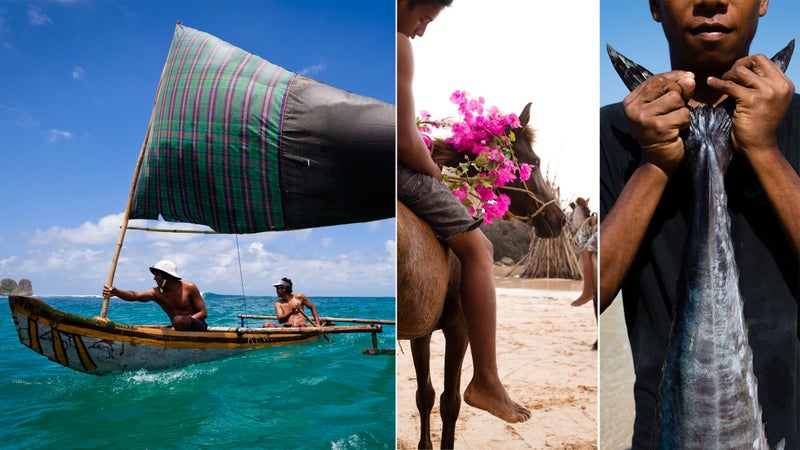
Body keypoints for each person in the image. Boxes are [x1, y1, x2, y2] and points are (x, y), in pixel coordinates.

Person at [600, 0, 800, 448]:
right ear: (654, 6)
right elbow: (589, 293)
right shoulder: (610, 132)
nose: (712, 0)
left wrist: (765, 152)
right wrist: (654, 165)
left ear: (765, 2)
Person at [397, 0, 531, 423]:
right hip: (398, 169)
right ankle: (486, 380)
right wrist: (434, 168)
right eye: (423, 18)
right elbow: (405, 142)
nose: (420, 31)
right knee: (479, 250)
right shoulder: (397, 42)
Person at [102, 260, 209, 331]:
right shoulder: (155, 292)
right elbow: (135, 295)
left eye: (157, 275)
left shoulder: (189, 287)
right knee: (176, 322)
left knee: (178, 320)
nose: (154, 278)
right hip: (175, 328)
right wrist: (116, 292)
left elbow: (203, 313)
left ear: (167, 276)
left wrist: (183, 322)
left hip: (197, 326)